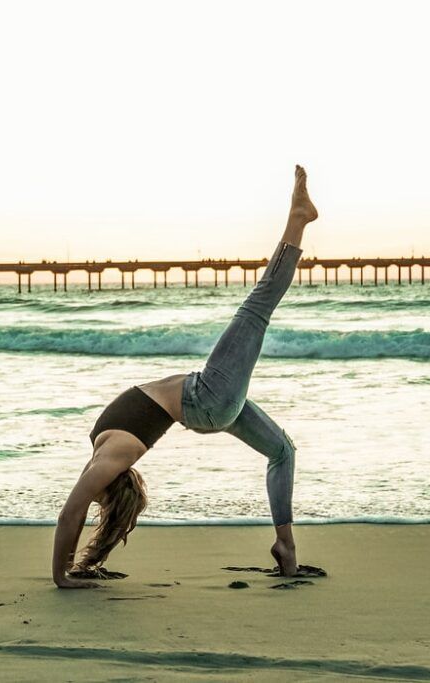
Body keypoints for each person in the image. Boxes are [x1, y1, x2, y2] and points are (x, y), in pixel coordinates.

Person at [52, 165, 319, 588]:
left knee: (282, 451)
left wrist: (77, 564)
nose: (96, 489)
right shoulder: (114, 455)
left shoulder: (107, 450)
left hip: (210, 405)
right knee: (258, 304)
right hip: (206, 397)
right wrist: (60, 577)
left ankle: (285, 547)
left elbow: (81, 508)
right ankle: (298, 217)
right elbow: (71, 512)